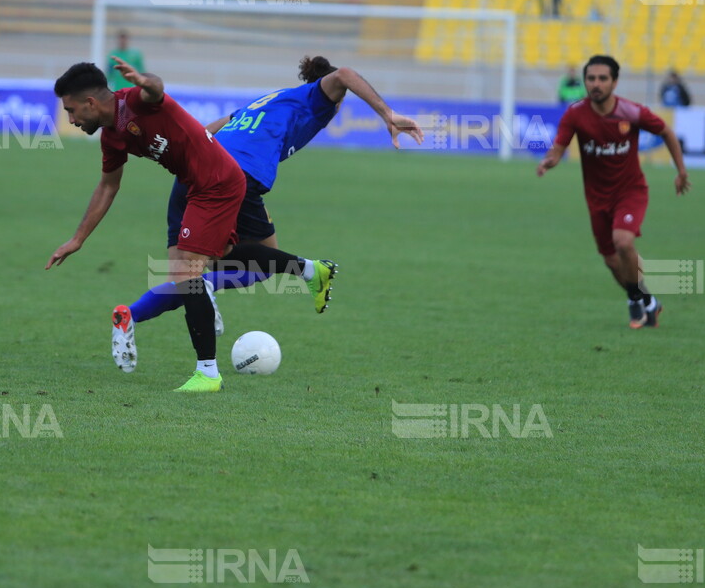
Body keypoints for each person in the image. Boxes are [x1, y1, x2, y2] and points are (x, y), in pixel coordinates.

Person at [46, 60, 323, 392]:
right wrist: (78, 239)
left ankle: (207, 373)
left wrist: (144, 80)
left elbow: (156, 90)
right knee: (218, 261)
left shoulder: (133, 101)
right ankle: (310, 270)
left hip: (217, 180)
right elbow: (108, 186)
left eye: (72, 111)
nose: (72, 120)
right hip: (193, 186)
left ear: (91, 102)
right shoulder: (112, 138)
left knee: (188, 276)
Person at [119, 55, 425, 344]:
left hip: (193, 173)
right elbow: (345, 74)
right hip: (235, 173)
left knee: (184, 276)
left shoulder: (273, 100)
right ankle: (298, 272)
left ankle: (131, 314)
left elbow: (209, 129)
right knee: (264, 263)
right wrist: (389, 114)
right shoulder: (316, 98)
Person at [537, 55, 690, 327]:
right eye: (591, 78)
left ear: (615, 82)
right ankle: (648, 301)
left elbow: (666, 131)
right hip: (596, 198)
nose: (596, 84)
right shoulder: (575, 113)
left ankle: (635, 300)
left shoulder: (631, 112)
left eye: (602, 78)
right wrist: (551, 160)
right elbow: (559, 147)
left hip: (630, 191)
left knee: (623, 242)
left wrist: (681, 170)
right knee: (611, 260)